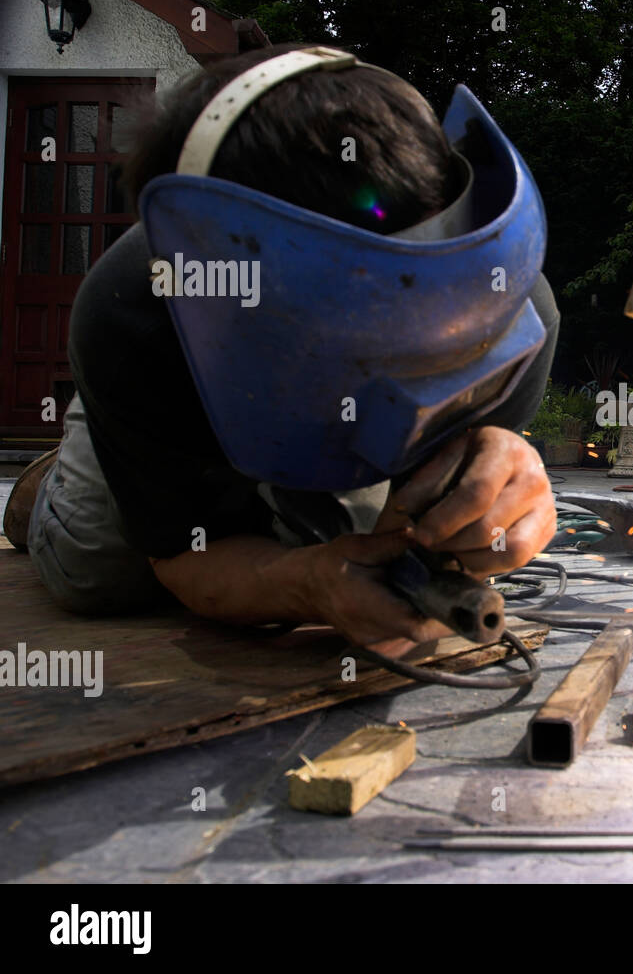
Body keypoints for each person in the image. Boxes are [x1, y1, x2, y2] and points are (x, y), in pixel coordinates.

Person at [4, 43, 559, 660]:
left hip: (293, 414)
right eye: (366, 328)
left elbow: (437, 524)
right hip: (168, 397)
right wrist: (305, 587)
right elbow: (188, 556)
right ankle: (59, 479)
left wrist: (494, 487)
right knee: (100, 570)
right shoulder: (129, 318)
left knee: (336, 534)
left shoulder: (503, 299)